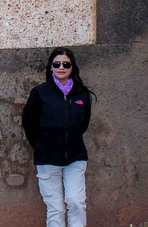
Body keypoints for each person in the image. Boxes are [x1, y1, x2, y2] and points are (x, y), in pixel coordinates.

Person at [22, 47, 94, 227]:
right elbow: (29, 123)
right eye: (57, 64)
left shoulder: (81, 93)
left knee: (76, 201)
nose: (61, 67)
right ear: (51, 67)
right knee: (56, 208)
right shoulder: (40, 93)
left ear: (72, 67)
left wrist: (71, 139)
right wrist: (42, 144)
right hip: (47, 159)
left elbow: (83, 123)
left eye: (66, 64)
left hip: (75, 157)